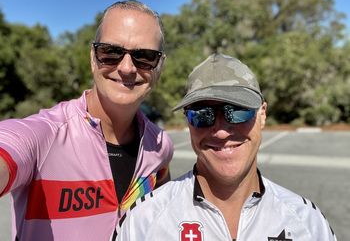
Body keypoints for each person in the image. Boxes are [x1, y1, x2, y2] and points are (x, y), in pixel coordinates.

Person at [112, 53, 337, 241]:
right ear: (187, 121)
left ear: (262, 114)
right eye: (202, 114)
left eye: (237, 111)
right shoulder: (143, 221)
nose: (221, 131)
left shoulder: (307, 222)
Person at [0, 0, 173, 241]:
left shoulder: (161, 145)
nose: (127, 68)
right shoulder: (44, 135)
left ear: (159, 66)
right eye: (111, 52)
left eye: (144, 56)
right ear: (93, 57)